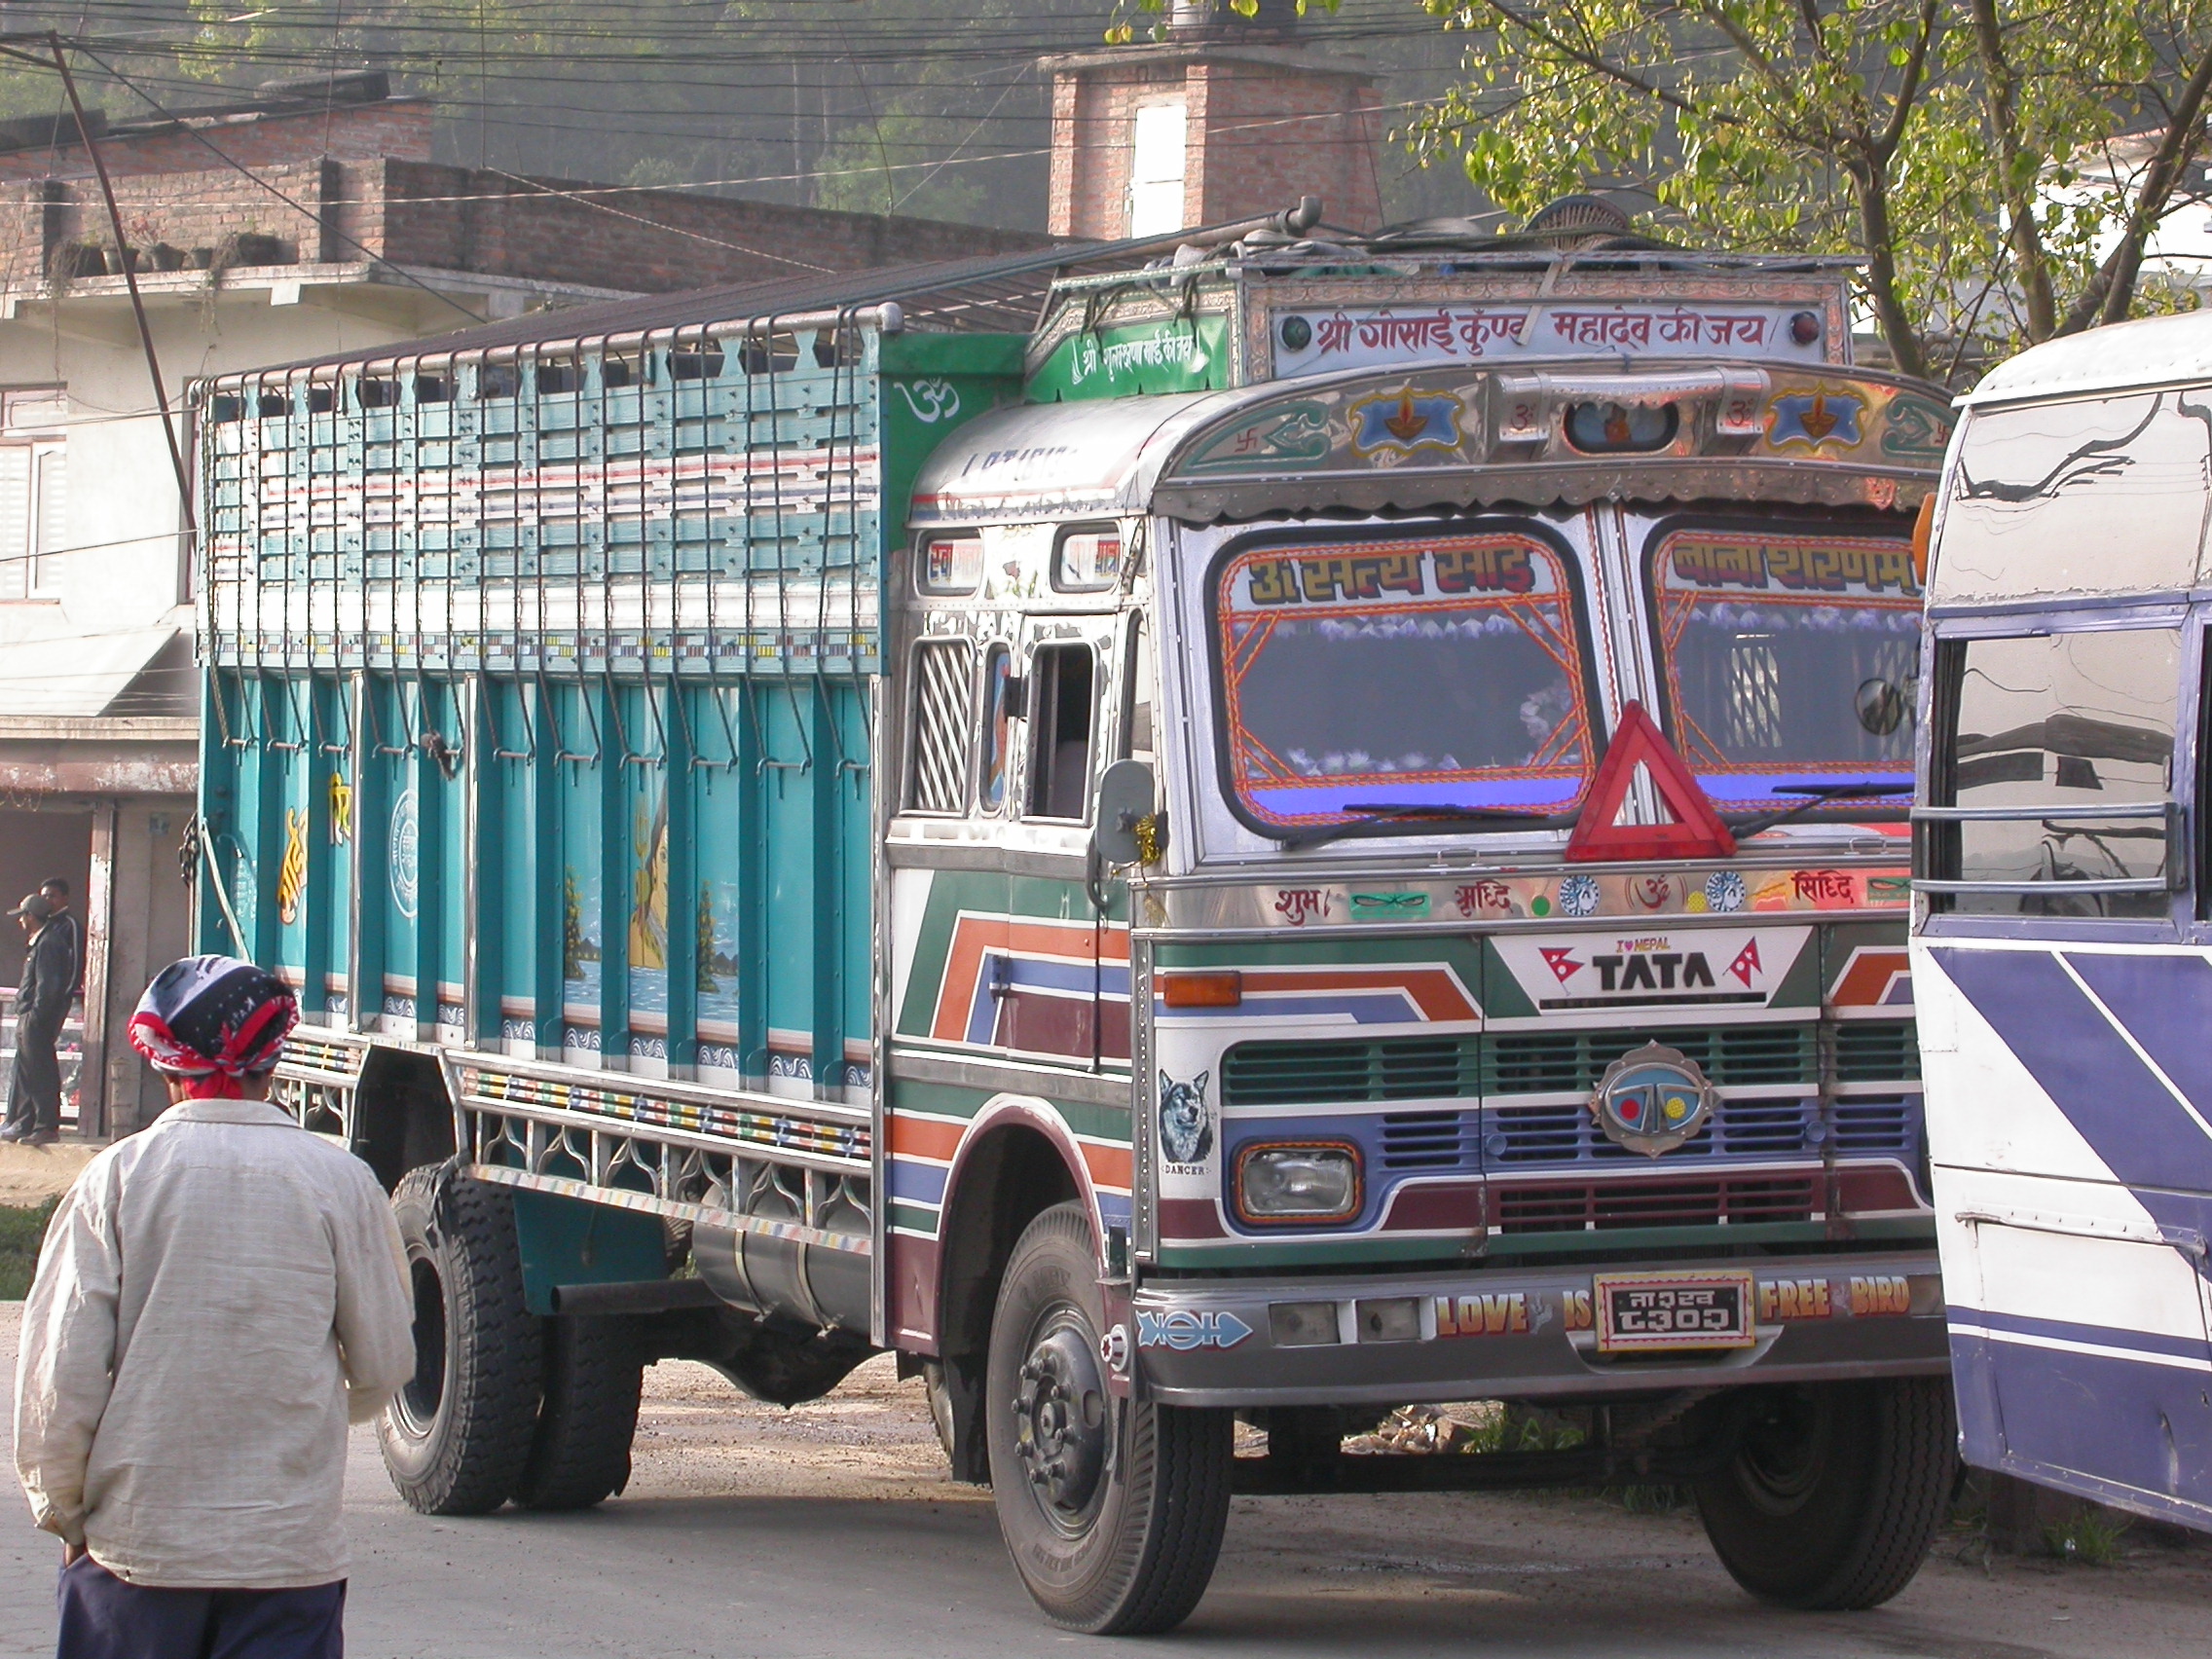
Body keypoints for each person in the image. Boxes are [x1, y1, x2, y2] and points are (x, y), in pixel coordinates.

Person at [13, 955, 415, 1659]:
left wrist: (65, 1514)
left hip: (137, 1553)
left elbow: (59, 1380)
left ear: (165, 1065)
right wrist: (304, 1407)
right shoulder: (342, 1183)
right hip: (288, 1558)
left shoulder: (116, 1179)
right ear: (274, 1062)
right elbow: (383, 1364)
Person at [2, 894, 73, 1147]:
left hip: (36, 1019)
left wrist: (36, 1016)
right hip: (29, 1015)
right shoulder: (41, 941)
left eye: (23, 916)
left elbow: (48, 986)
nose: (21, 921)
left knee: (40, 1072)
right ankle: (25, 1122)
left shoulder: (49, 943)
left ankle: (45, 1126)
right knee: (27, 1073)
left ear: (31, 916)